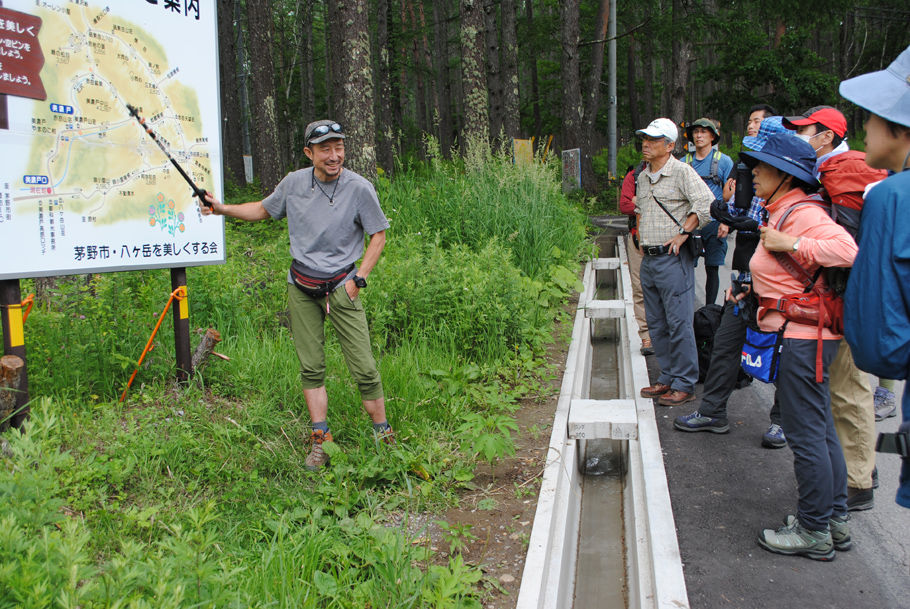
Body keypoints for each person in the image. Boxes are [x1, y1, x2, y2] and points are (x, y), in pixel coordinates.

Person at [200, 119, 393, 470]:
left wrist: (358, 279)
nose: (334, 156)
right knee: (311, 366)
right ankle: (321, 437)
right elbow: (261, 209)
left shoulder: (359, 188)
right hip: (301, 287)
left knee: (364, 367)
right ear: (309, 153)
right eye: (325, 149)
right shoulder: (294, 184)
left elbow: (378, 234)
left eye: (339, 148)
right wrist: (222, 209)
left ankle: (383, 432)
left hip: (341, 287)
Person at [734, 133, 857, 560]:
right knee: (822, 432)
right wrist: (754, 289)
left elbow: (847, 250)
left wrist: (793, 243)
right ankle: (833, 519)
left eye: (761, 166)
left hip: (804, 343)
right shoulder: (785, 209)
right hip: (808, 338)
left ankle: (813, 530)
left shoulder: (802, 212)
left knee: (806, 437)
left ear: (785, 174)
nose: (752, 172)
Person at [783, 105, 889, 511]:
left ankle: (859, 482)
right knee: (840, 390)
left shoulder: (842, 171)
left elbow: (846, 248)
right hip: (847, 297)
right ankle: (858, 467)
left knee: (847, 388)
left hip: (849, 299)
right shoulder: (840, 170)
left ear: (826, 136)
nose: (798, 137)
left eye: (804, 130)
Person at [674, 115, 790, 443]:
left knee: (780, 351)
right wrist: (725, 207)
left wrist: (734, 218)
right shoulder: (753, 177)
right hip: (744, 276)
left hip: (780, 287)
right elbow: (744, 218)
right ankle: (713, 410)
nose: (753, 167)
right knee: (726, 343)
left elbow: (760, 227)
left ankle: (782, 421)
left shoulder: (797, 191)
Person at [839, 44, 910, 510]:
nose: (865, 126)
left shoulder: (891, 197)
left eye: (872, 116)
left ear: (900, 127)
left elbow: (877, 343)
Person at [634, 118, 713, 406]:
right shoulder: (643, 176)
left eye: (653, 139)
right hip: (650, 259)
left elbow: (706, 204)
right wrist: (641, 240)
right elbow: (640, 207)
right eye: (644, 137)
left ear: (669, 145)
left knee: (679, 323)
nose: (646, 143)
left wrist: (683, 233)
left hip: (673, 258)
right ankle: (667, 376)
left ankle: (684, 383)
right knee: (657, 323)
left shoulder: (682, 172)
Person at [683, 118, 734, 305]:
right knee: (687, 267)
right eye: (696, 132)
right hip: (692, 222)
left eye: (703, 132)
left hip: (714, 222)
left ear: (713, 136)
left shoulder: (724, 162)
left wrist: (726, 221)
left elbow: (731, 195)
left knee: (712, 268)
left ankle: (710, 310)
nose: (699, 136)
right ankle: (688, 309)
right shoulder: (684, 162)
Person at [619, 159, 653, 355]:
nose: (648, 146)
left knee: (665, 289)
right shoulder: (634, 176)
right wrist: (646, 204)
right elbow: (624, 204)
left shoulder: (679, 172)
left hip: (666, 241)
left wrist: (637, 201)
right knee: (639, 287)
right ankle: (646, 337)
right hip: (636, 239)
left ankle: (664, 335)